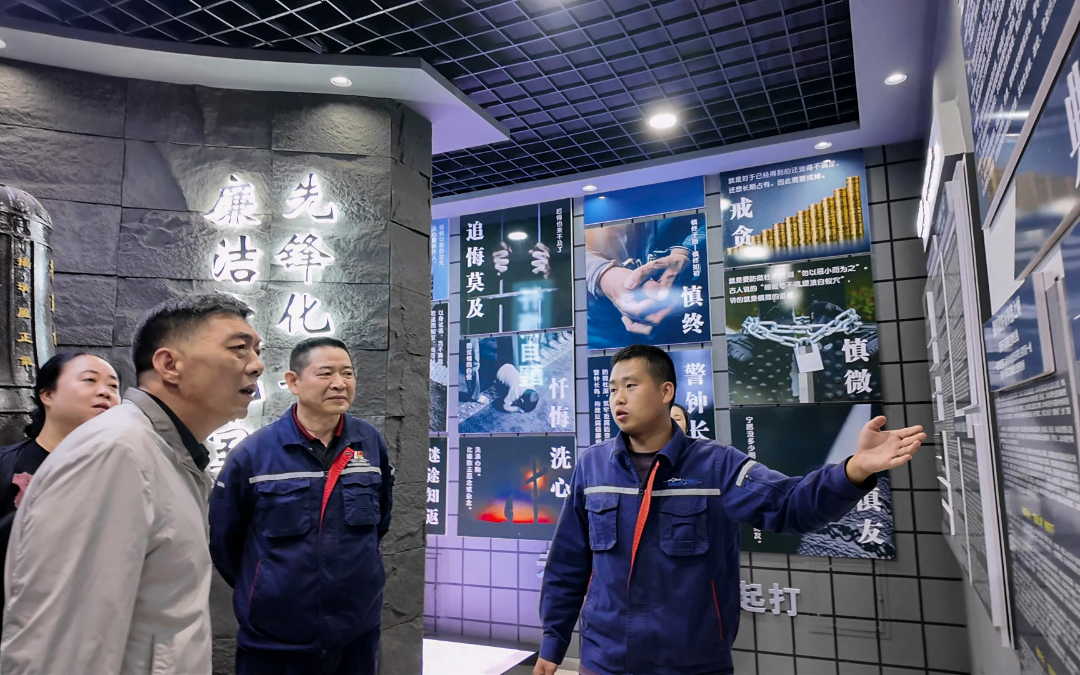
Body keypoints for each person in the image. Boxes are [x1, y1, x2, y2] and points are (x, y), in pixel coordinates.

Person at [535, 345, 925, 675]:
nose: (617, 398)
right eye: (612, 389)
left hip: (693, 663)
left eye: (631, 386)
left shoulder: (716, 465)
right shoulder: (593, 466)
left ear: (666, 391)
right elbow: (569, 561)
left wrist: (855, 468)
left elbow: (790, 505)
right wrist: (554, 642)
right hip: (606, 661)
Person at [1, 294, 264, 675]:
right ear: (169, 365)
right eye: (239, 349)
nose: (256, 365)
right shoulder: (115, 453)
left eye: (257, 350)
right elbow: (63, 647)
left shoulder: (167, 454)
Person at [209, 337, 394, 675]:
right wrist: (268, 588)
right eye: (325, 373)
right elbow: (225, 543)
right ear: (293, 382)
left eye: (347, 373)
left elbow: (379, 523)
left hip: (356, 633)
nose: (339, 383)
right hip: (275, 639)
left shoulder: (370, 443)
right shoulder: (254, 453)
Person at [0, 352, 121, 572]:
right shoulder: (5, 464)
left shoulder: (124, 472)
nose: (105, 392)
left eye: (113, 386)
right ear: (47, 395)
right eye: (90, 380)